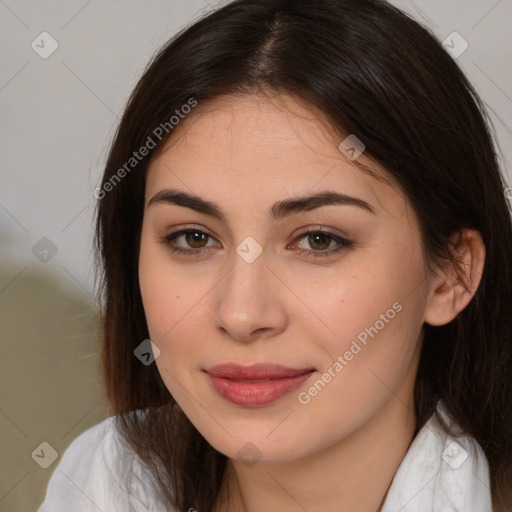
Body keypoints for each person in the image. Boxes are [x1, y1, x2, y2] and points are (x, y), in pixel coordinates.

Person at [37, 0, 512, 511]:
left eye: (318, 240)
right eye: (194, 238)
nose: (241, 315)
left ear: (450, 277)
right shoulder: (102, 481)